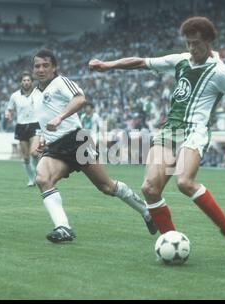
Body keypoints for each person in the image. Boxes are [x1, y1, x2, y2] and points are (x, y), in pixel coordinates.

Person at [89, 16, 225, 257]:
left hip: (195, 131)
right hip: (171, 129)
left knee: (184, 182)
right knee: (150, 188)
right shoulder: (181, 60)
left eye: (196, 43)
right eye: (188, 43)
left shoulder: (221, 73)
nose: (191, 49)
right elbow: (142, 62)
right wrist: (108, 65)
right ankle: (170, 242)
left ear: (209, 41)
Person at [31, 49, 156, 243]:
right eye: (37, 66)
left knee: (106, 187)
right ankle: (63, 227)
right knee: (42, 178)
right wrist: (41, 138)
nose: (41, 69)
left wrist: (60, 117)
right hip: (56, 148)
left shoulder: (60, 82)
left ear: (54, 67)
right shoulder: (34, 95)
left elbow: (80, 99)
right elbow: (42, 121)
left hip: (77, 140)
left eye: (45, 65)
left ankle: (147, 212)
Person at [5, 71, 40, 187]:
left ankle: (38, 175)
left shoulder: (38, 93)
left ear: (32, 82)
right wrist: (8, 115)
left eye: (28, 80)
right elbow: (9, 109)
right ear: (21, 82)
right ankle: (31, 179)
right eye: (24, 80)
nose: (26, 82)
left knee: (34, 153)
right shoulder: (14, 96)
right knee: (25, 157)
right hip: (21, 126)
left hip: (35, 124)